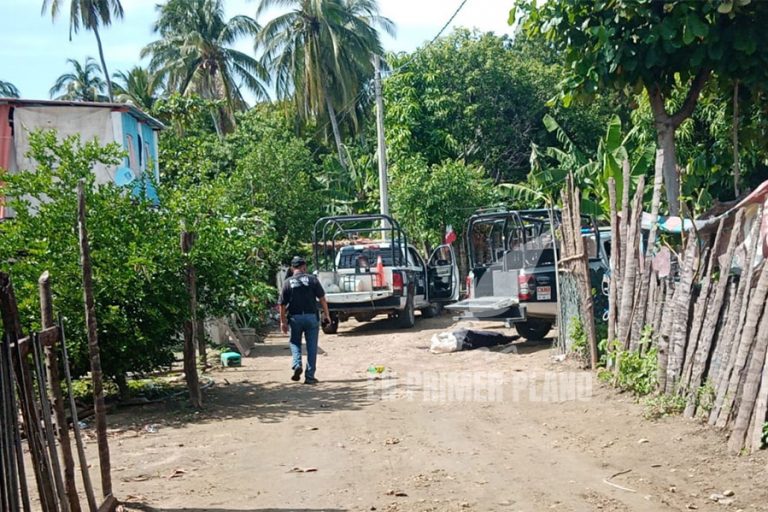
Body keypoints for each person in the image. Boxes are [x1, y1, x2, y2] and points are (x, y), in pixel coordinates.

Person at [278, 256, 331, 384]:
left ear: (292, 268)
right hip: (311, 317)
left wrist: (282, 321)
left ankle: (297, 365)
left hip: (295, 318)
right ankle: (310, 376)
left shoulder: (287, 283)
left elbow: (282, 305)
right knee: (312, 347)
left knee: (295, 342)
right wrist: (326, 315)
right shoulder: (313, 280)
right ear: (304, 267)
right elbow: (322, 299)